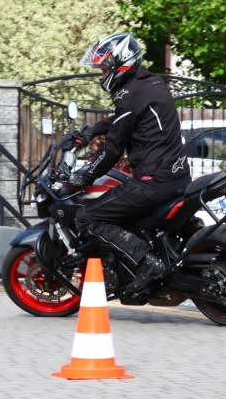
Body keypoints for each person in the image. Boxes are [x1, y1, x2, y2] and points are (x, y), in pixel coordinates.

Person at [69, 32, 191, 294]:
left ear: (120, 64)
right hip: (176, 177)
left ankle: (147, 262)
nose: (102, 76)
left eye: (104, 69)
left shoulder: (130, 94)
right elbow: (123, 120)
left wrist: (84, 176)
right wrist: (91, 131)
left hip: (153, 182)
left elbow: (113, 148)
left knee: (87, 217)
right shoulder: (149, 84)